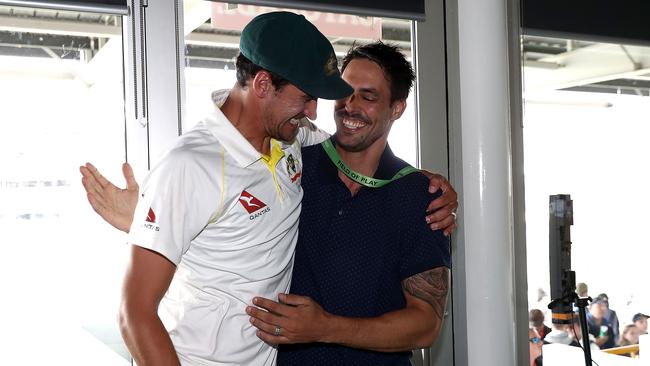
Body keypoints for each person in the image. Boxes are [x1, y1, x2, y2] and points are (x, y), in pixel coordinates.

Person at [79, 15, 458, 366]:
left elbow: (364, 155)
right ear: (263, 84)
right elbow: (134, 312)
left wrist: (425, 184)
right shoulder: (188, 165)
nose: (314, 110)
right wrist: (149, 218)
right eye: (306, 95)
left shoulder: (294, 142)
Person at [245, 42, 450, 365]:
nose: (349, 106)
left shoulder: (419, 195)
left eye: (368, 97)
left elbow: (426, 325)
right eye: (344, 92)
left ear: (397, 109)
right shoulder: (291, 166)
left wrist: (326, 328)